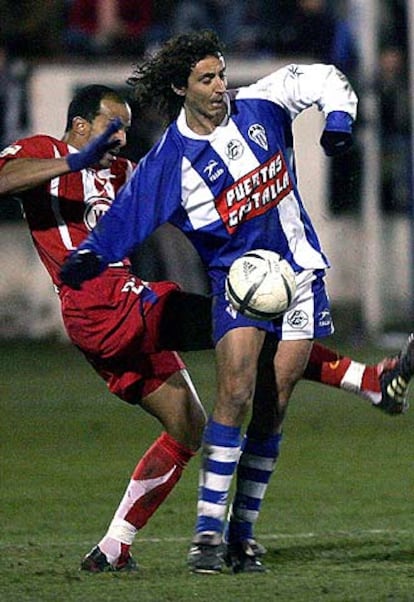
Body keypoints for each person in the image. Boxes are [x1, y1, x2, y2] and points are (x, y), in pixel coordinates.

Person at [59, 30, 414, 574]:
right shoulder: (170, 162)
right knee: (235, 390)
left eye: (222, 74)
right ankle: (206, 534)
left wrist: (338, 120)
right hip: (237, 284)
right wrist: (92, 254)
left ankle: (242, 537)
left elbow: (324, 78)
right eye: (207, 79)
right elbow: (130, 213)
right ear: (182, 86)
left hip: (297, 272)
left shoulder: (260, 104)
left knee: (275, 402)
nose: (221, 86)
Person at [0, 84, 208, 573]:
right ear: (80, 127)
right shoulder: (42, 152)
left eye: (127, 130)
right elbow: (5, 179)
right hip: (96, 303)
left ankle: (114, 548)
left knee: (188, 424)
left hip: (123, 309)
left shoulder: (122, 173)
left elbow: (176, 203)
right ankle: (362, 380)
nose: (121, 139)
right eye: (113, 128)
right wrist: (74, 161)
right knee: (236, 321)